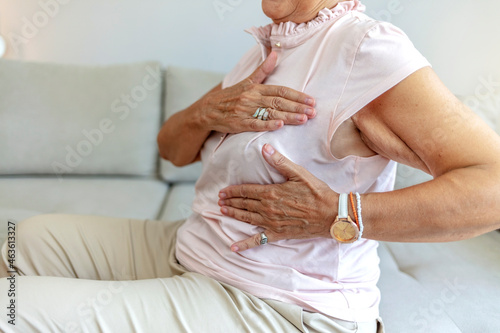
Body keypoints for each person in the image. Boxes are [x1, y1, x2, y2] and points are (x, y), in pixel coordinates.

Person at [2, 0, 500, 332]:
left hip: (277, 303)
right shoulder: (267, 49)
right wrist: (206, 112)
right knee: (15, 238)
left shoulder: (367, 48)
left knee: (11, 309)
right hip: (194, 247)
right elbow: (171, 148)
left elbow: (492, 187)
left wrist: (337, 214)